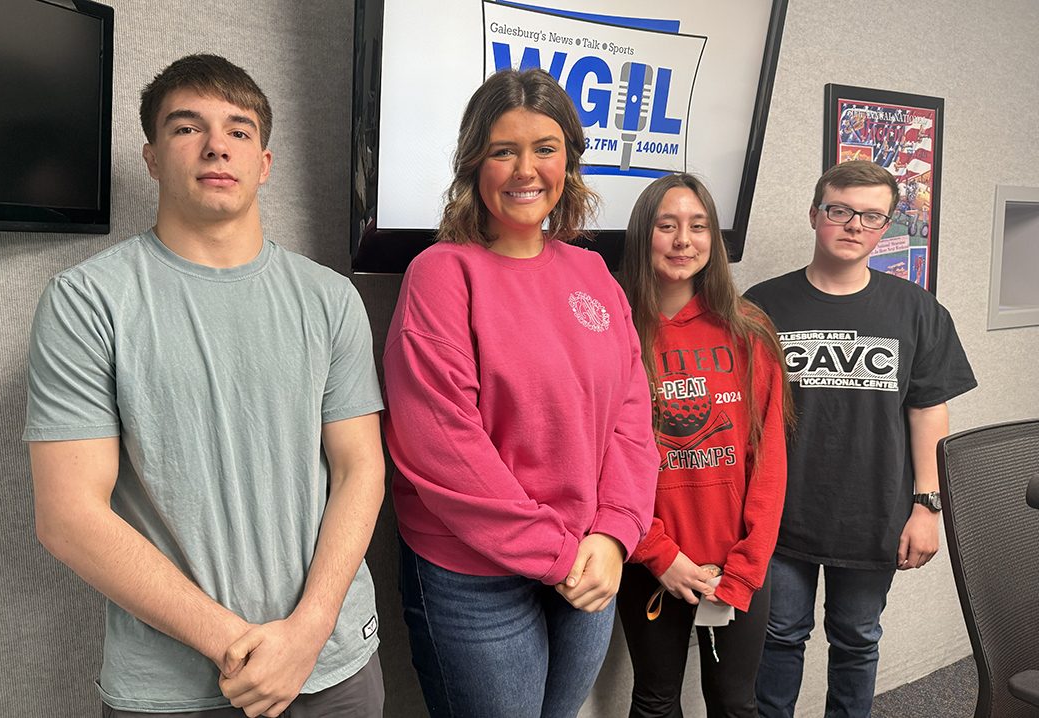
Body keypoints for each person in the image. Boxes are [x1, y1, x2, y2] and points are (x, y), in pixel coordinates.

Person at [24, 54, 386, 717]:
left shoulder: (331, 300)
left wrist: (306, 635)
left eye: (240, 129)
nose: (218, 144)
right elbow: (68, 518)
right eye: (187, 127)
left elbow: (360, 468)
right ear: (153, 157)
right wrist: (236, 646)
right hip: (175, 687)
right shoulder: (85, 302)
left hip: (336, 664)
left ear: (265, 162)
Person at [382, 68, 658, 718]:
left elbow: (629, 414)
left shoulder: (590, 271)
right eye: (503, 151)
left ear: (568, 161)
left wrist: (615, 533)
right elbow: (442, 446)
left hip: (588, 558)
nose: (525, 169)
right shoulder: (441, 274)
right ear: (474, 163)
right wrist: (558, 554)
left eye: (545, 148)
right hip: (474, 576)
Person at [745, 160, 976, 718]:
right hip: (781, 512)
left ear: (886, 227)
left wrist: (927, 507)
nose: (853, 225)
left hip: (873, 513)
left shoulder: (917, 310)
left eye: (871, 216)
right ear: (815, 214)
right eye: (840, 210)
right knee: (778, 638)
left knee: (856, 640)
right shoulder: (761, 305)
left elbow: (927, 411)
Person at [616, 173, 790, 717]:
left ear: (714, 241)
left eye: (698, 226)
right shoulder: (618, 331)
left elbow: (769, 460)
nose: (682, 240)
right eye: (667, 226)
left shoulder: (749, 331)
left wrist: (742, 569)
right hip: (652, 561)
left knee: (735, 704)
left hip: (736, 565)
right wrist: (660, 555)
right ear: (645, 235)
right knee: (654, 700)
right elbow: (604, 461)